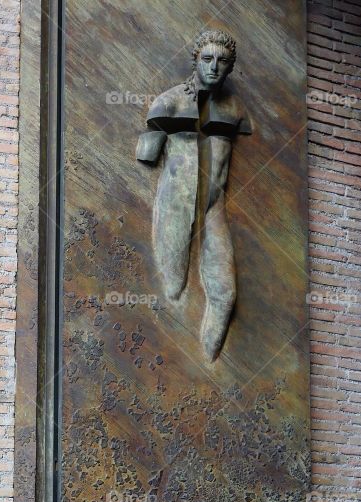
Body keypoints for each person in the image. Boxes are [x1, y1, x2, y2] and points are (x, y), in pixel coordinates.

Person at [136, 29, 252, 362]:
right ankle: (166, 360)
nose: (214, 67)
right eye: (207, 59)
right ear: (196, 60)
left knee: (225, 294)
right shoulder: (168, 102)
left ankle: (208, 361)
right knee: (172, 286)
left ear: (230, 68)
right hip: (176, 202)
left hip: (213, 207)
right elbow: (147, 155)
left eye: (222, 61)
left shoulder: (235, 110)